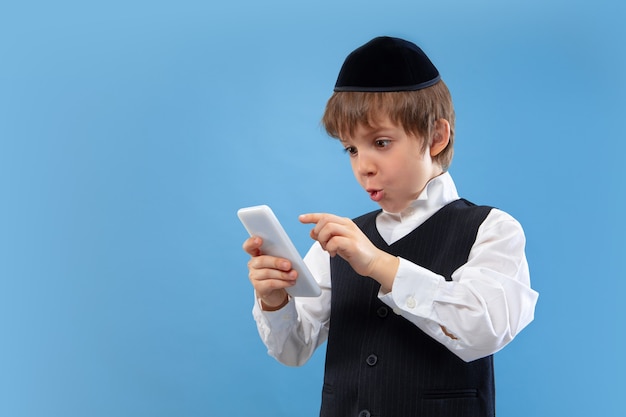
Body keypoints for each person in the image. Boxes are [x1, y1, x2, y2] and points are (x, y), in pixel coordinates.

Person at [243, 36, 538, 417]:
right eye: (351, 148)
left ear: (436, 137)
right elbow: (293, 349)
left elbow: (485, 329)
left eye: (380, 142)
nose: (363, 166)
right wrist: (274, 299)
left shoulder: (492, 229)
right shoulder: (339, 242)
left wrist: (378, 265)